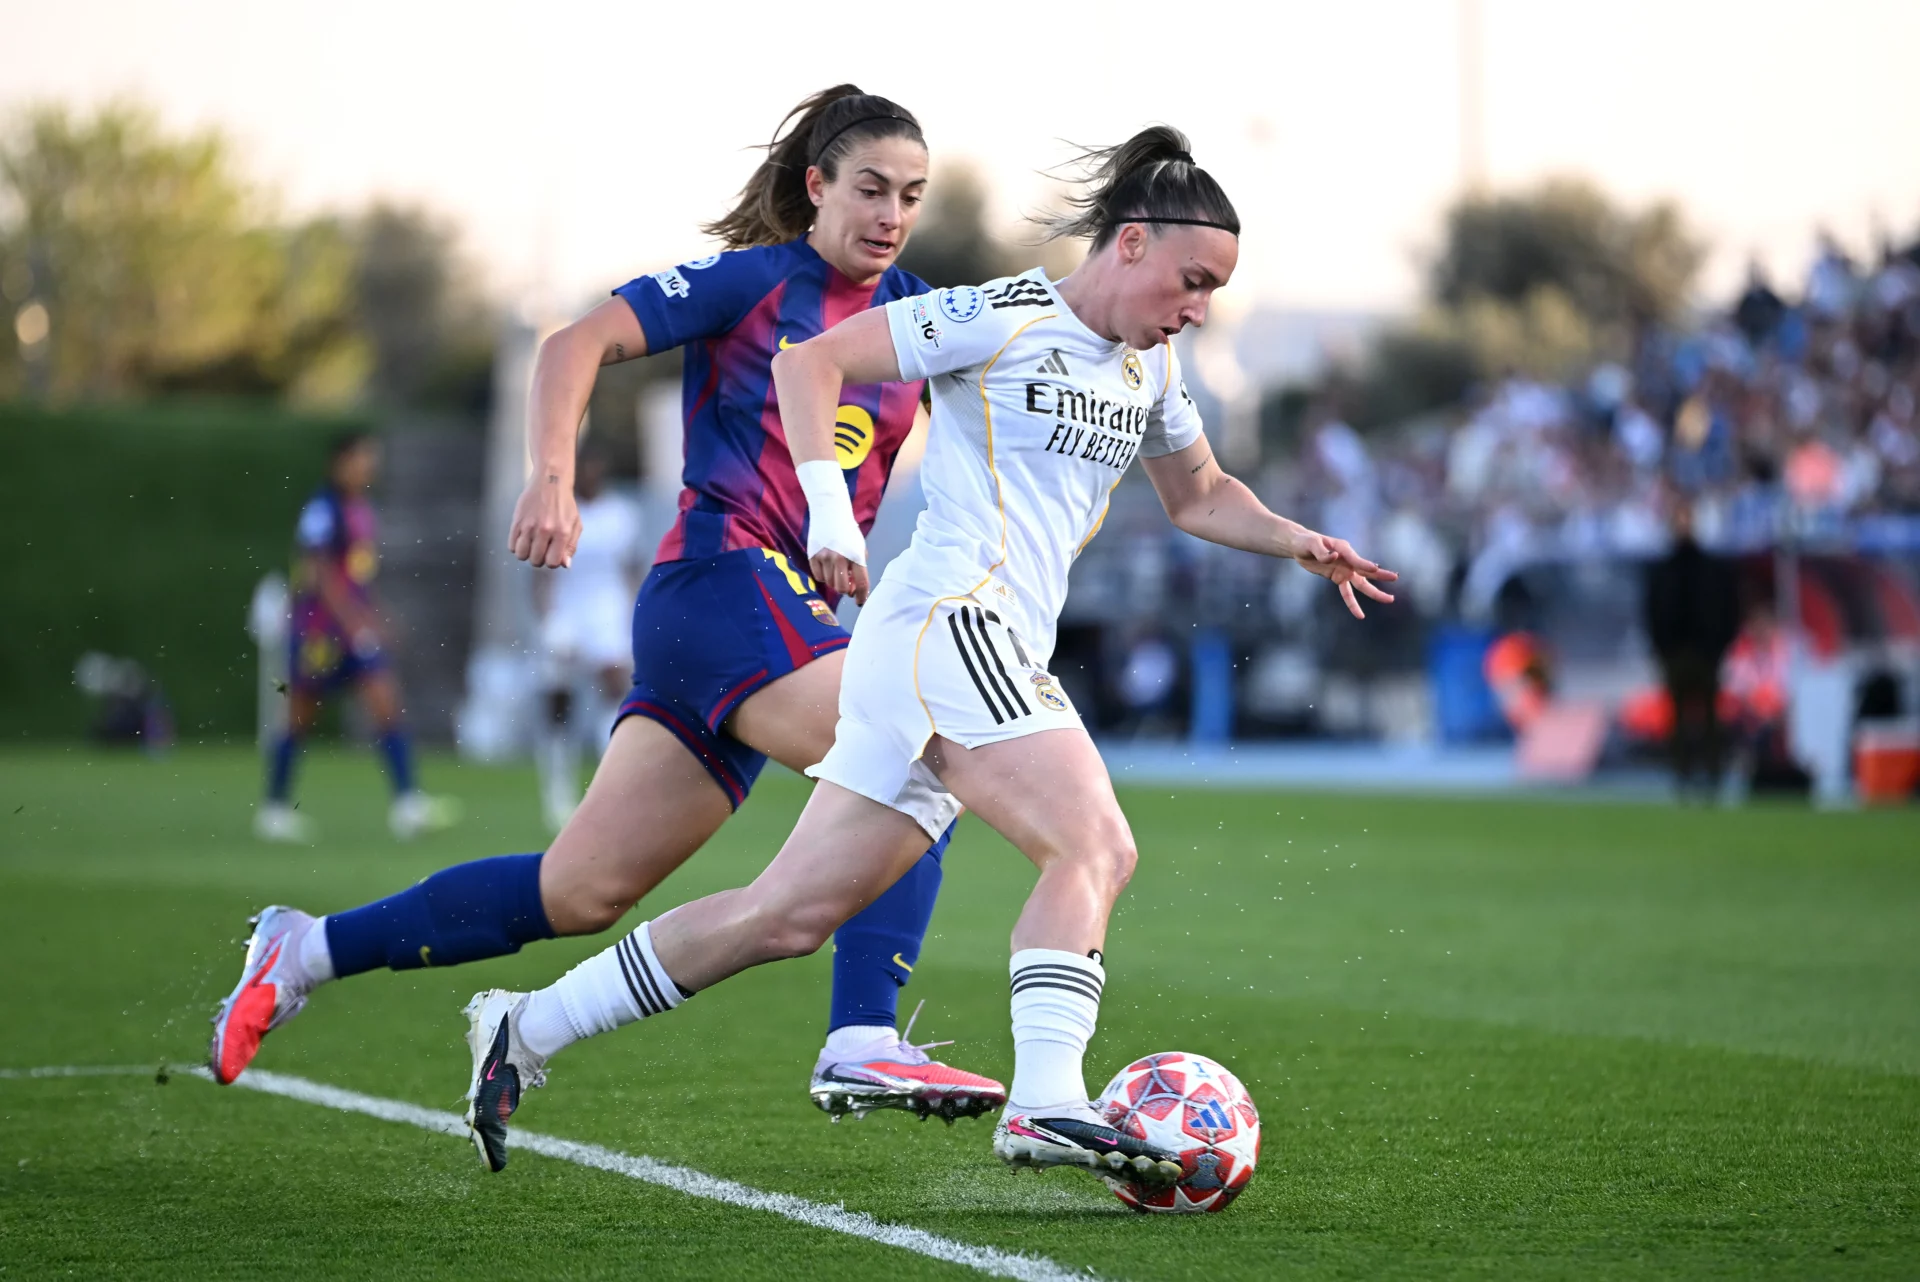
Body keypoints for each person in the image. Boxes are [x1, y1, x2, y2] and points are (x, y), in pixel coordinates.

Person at [459, 126, 1396, 1183]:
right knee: (1096, 846)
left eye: (1214, 291)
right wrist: (831, 518)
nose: (1199, 308)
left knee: (788, 913)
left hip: (944, 649)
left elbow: (1200, 493)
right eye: (1192, 280)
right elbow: (810, 362)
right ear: (1129, 244)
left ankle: (525, 1026)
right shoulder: (999, 314)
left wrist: (1299, 541)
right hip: (952, 621)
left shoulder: (1152, 368)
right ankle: (1047, 1102)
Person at [210, 86, 1005, 1126]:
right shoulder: (754, 283)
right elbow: (571, 345)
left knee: (577, 890)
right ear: (815, 186)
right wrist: (552, 475)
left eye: (911, 194)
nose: (891, 212)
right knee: (919, 739)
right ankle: (861, 1035)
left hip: (754, 625)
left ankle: (304, 949)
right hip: (722, 586)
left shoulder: (923, 316)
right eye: (869, 188)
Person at [254, 431, 458, 843]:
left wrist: (378, 616)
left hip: (354, 632)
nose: (369, 466)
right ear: (340, 462)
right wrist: (354, 622)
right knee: (299, 718)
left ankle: (408, 804)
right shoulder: (322, 509)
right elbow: (320, 573)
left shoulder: (363, 509)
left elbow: (358, 576)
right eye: (362, 458)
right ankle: (274, 808)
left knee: (387, 704)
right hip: (319, 633)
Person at [532, 440, 643, 831]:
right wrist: (547, 619)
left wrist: (634, 618)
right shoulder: (559, 512)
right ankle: (557, 789)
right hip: (568, 612)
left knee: (614, 692)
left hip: (607, 613)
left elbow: (631, 569)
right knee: (558, 699)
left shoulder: (620, 514)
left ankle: (609, 789)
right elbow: (541, 574)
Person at [1643, 498, 1740, 799]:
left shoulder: (1712, 569)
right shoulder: (1663, 570)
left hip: (1707, 653)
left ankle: (1712, 775)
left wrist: (1719, 645)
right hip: (1675, 653)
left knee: (1711, 717)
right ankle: (1682, 775)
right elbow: (1652, 612)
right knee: (1677, 718)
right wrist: (1662, 647)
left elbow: (1729, 609)